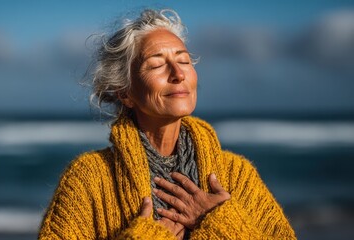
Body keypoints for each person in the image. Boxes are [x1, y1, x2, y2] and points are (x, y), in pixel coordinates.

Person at [39, 9, 296, 239]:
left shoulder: (237, 175)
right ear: (125, 93)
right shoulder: (89, 178)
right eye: (157, 64)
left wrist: (221, 223)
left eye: (184, 61)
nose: (178, 73)